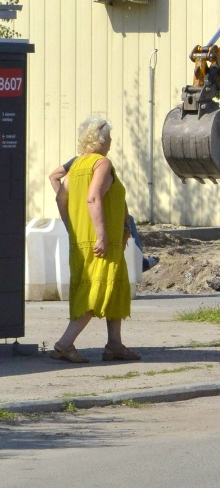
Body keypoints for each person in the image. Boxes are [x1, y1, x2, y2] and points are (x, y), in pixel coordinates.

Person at [48, 116, 137, 363]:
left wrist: (72, 227)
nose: (111, 141)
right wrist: (101, 235)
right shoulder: (101, 163)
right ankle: (64, 344)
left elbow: (61, 199)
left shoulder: (76, 166)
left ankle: (115, 345)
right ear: (101, 139)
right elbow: (93, 198)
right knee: (95, 290)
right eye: (109, 137)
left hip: (84, 238)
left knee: (115, 288)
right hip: (102, 240)